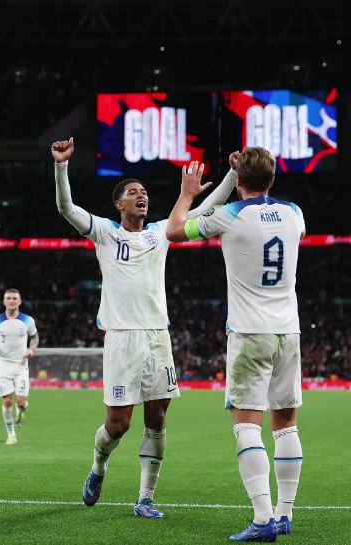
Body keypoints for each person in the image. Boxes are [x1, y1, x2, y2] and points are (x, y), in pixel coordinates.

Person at [52, 137, 239, 518]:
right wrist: (61, 166)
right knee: (118, 425)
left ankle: (145, 498)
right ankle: (97, 469)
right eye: (134, 192)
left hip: (158, 336)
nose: (142, 196)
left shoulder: (159, 233)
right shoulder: (105, 232)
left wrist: (234, 174)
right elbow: (66, 207)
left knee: (157, 418)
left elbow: (207, 206)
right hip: (122, 339)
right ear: (119, 203)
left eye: (145, 192)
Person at [166, 147, 305, 542]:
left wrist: (189, 195)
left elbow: (174, 230)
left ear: (238, 180)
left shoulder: (230, 215)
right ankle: (284, 514)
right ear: (273, 179)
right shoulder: (295, 214)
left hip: (249, 332)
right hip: (289, 331)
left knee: (247, 424)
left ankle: (262, 519)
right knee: (286, 423)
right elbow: (273, 218)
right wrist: (243, 176)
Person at [0, 289, 39, 445]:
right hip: (3, 366)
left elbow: (34, 338)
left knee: (21, 403)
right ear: (4, 301)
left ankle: (20, 413)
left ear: (20, 301)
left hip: (21, 366)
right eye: (8, 298)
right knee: (7, 401)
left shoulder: (28, 320)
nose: (12, 301)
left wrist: (31, 349)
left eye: (15, 298)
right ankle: (11, 434)